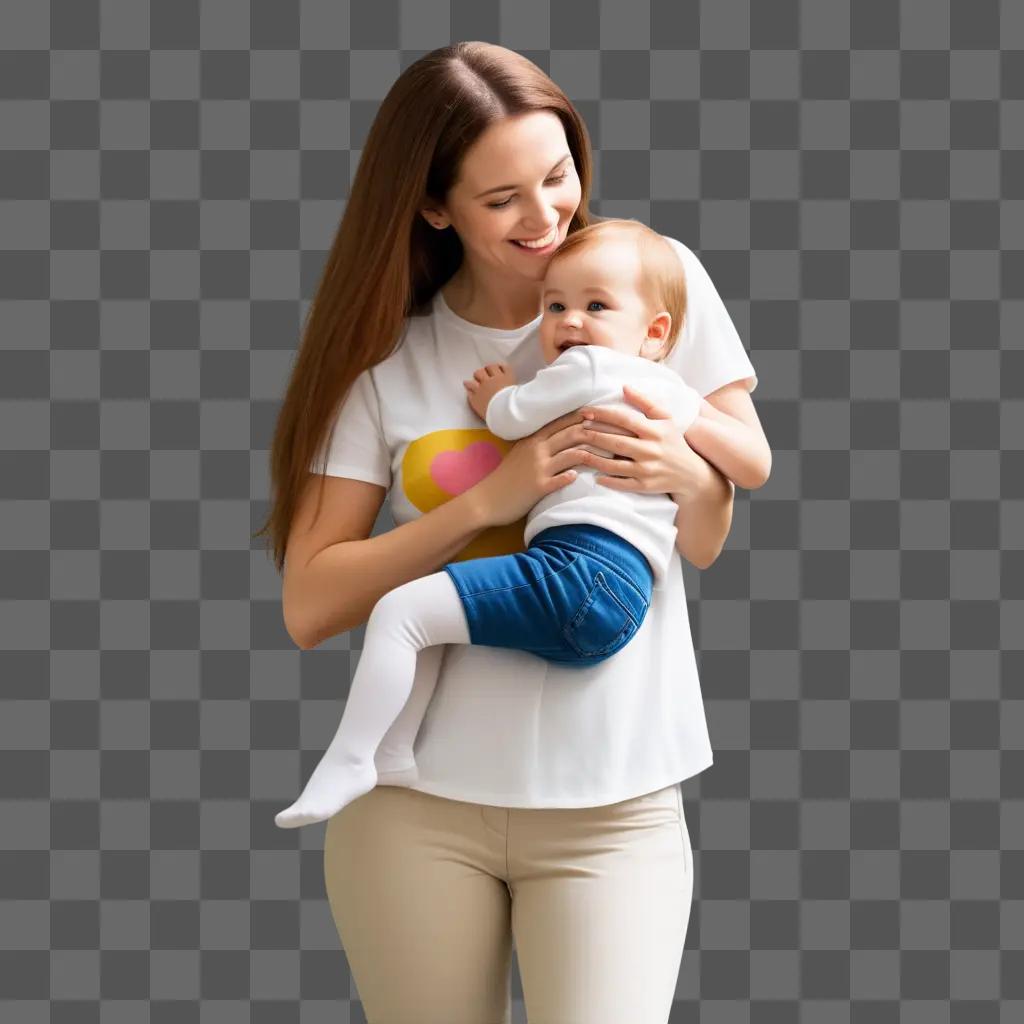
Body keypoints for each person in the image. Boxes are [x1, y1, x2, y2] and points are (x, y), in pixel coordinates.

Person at [257, 41, 766, 1024]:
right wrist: (485, 505)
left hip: (613, 807)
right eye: (502, 200)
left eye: (557, 174)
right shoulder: (388, 363)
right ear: (435, 207)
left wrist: (685, 473)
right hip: (413, 816)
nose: (547, 218)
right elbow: (310, 604)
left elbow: (703, 538)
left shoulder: (649, 278)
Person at [273, 217, 770, 829]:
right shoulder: (666, 387)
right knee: (435, 615)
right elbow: (754, 463)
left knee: (403, 611)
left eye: (595, 306)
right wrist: (688, 447)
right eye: (555, 305)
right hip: (620, 592)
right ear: (437, 205)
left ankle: (353, 757)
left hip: (578, 573)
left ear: (655, 329)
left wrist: (498, 395)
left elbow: (510, 420)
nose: (569, 322)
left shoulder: (585, 368)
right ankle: (395, 751)